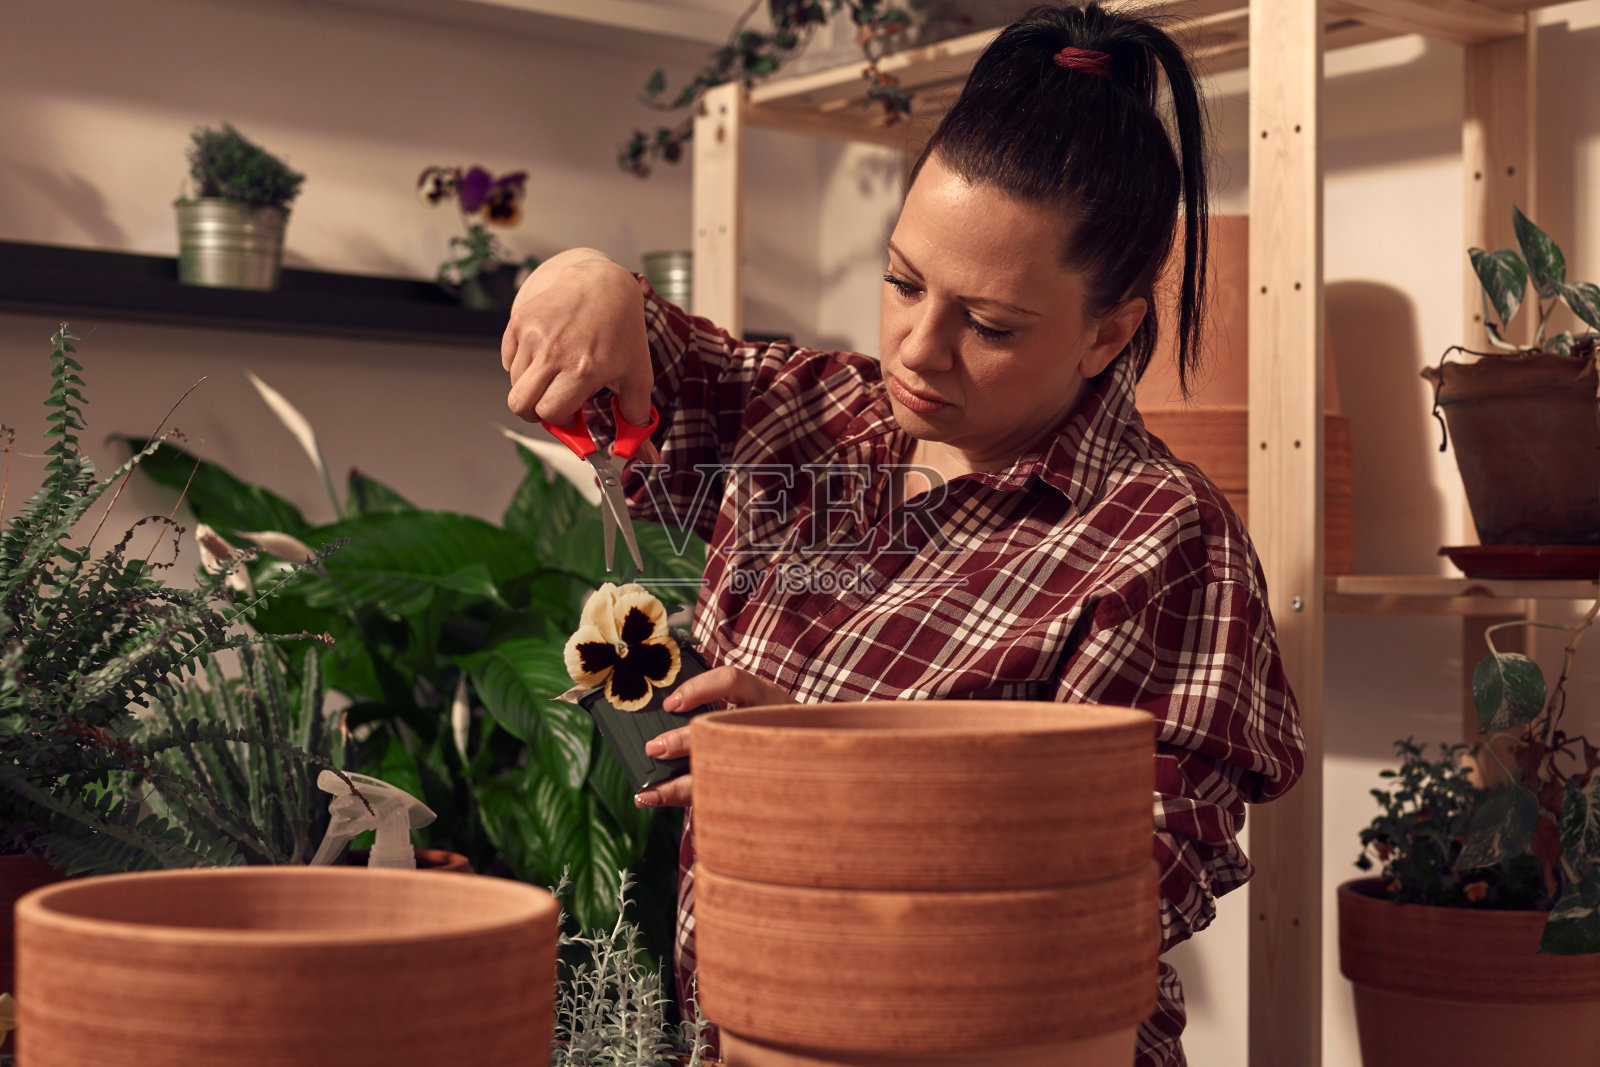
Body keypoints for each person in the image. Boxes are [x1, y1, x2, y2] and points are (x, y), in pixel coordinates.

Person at [501, 4, 1304, 1063]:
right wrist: (581, 280)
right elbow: (647, 352)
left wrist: (842, 774)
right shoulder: (808, 417)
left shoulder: (1160, 541)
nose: (919, 350)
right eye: (901, 282)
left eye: (992, 324)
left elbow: (1127, 883)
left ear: (1109, 330)